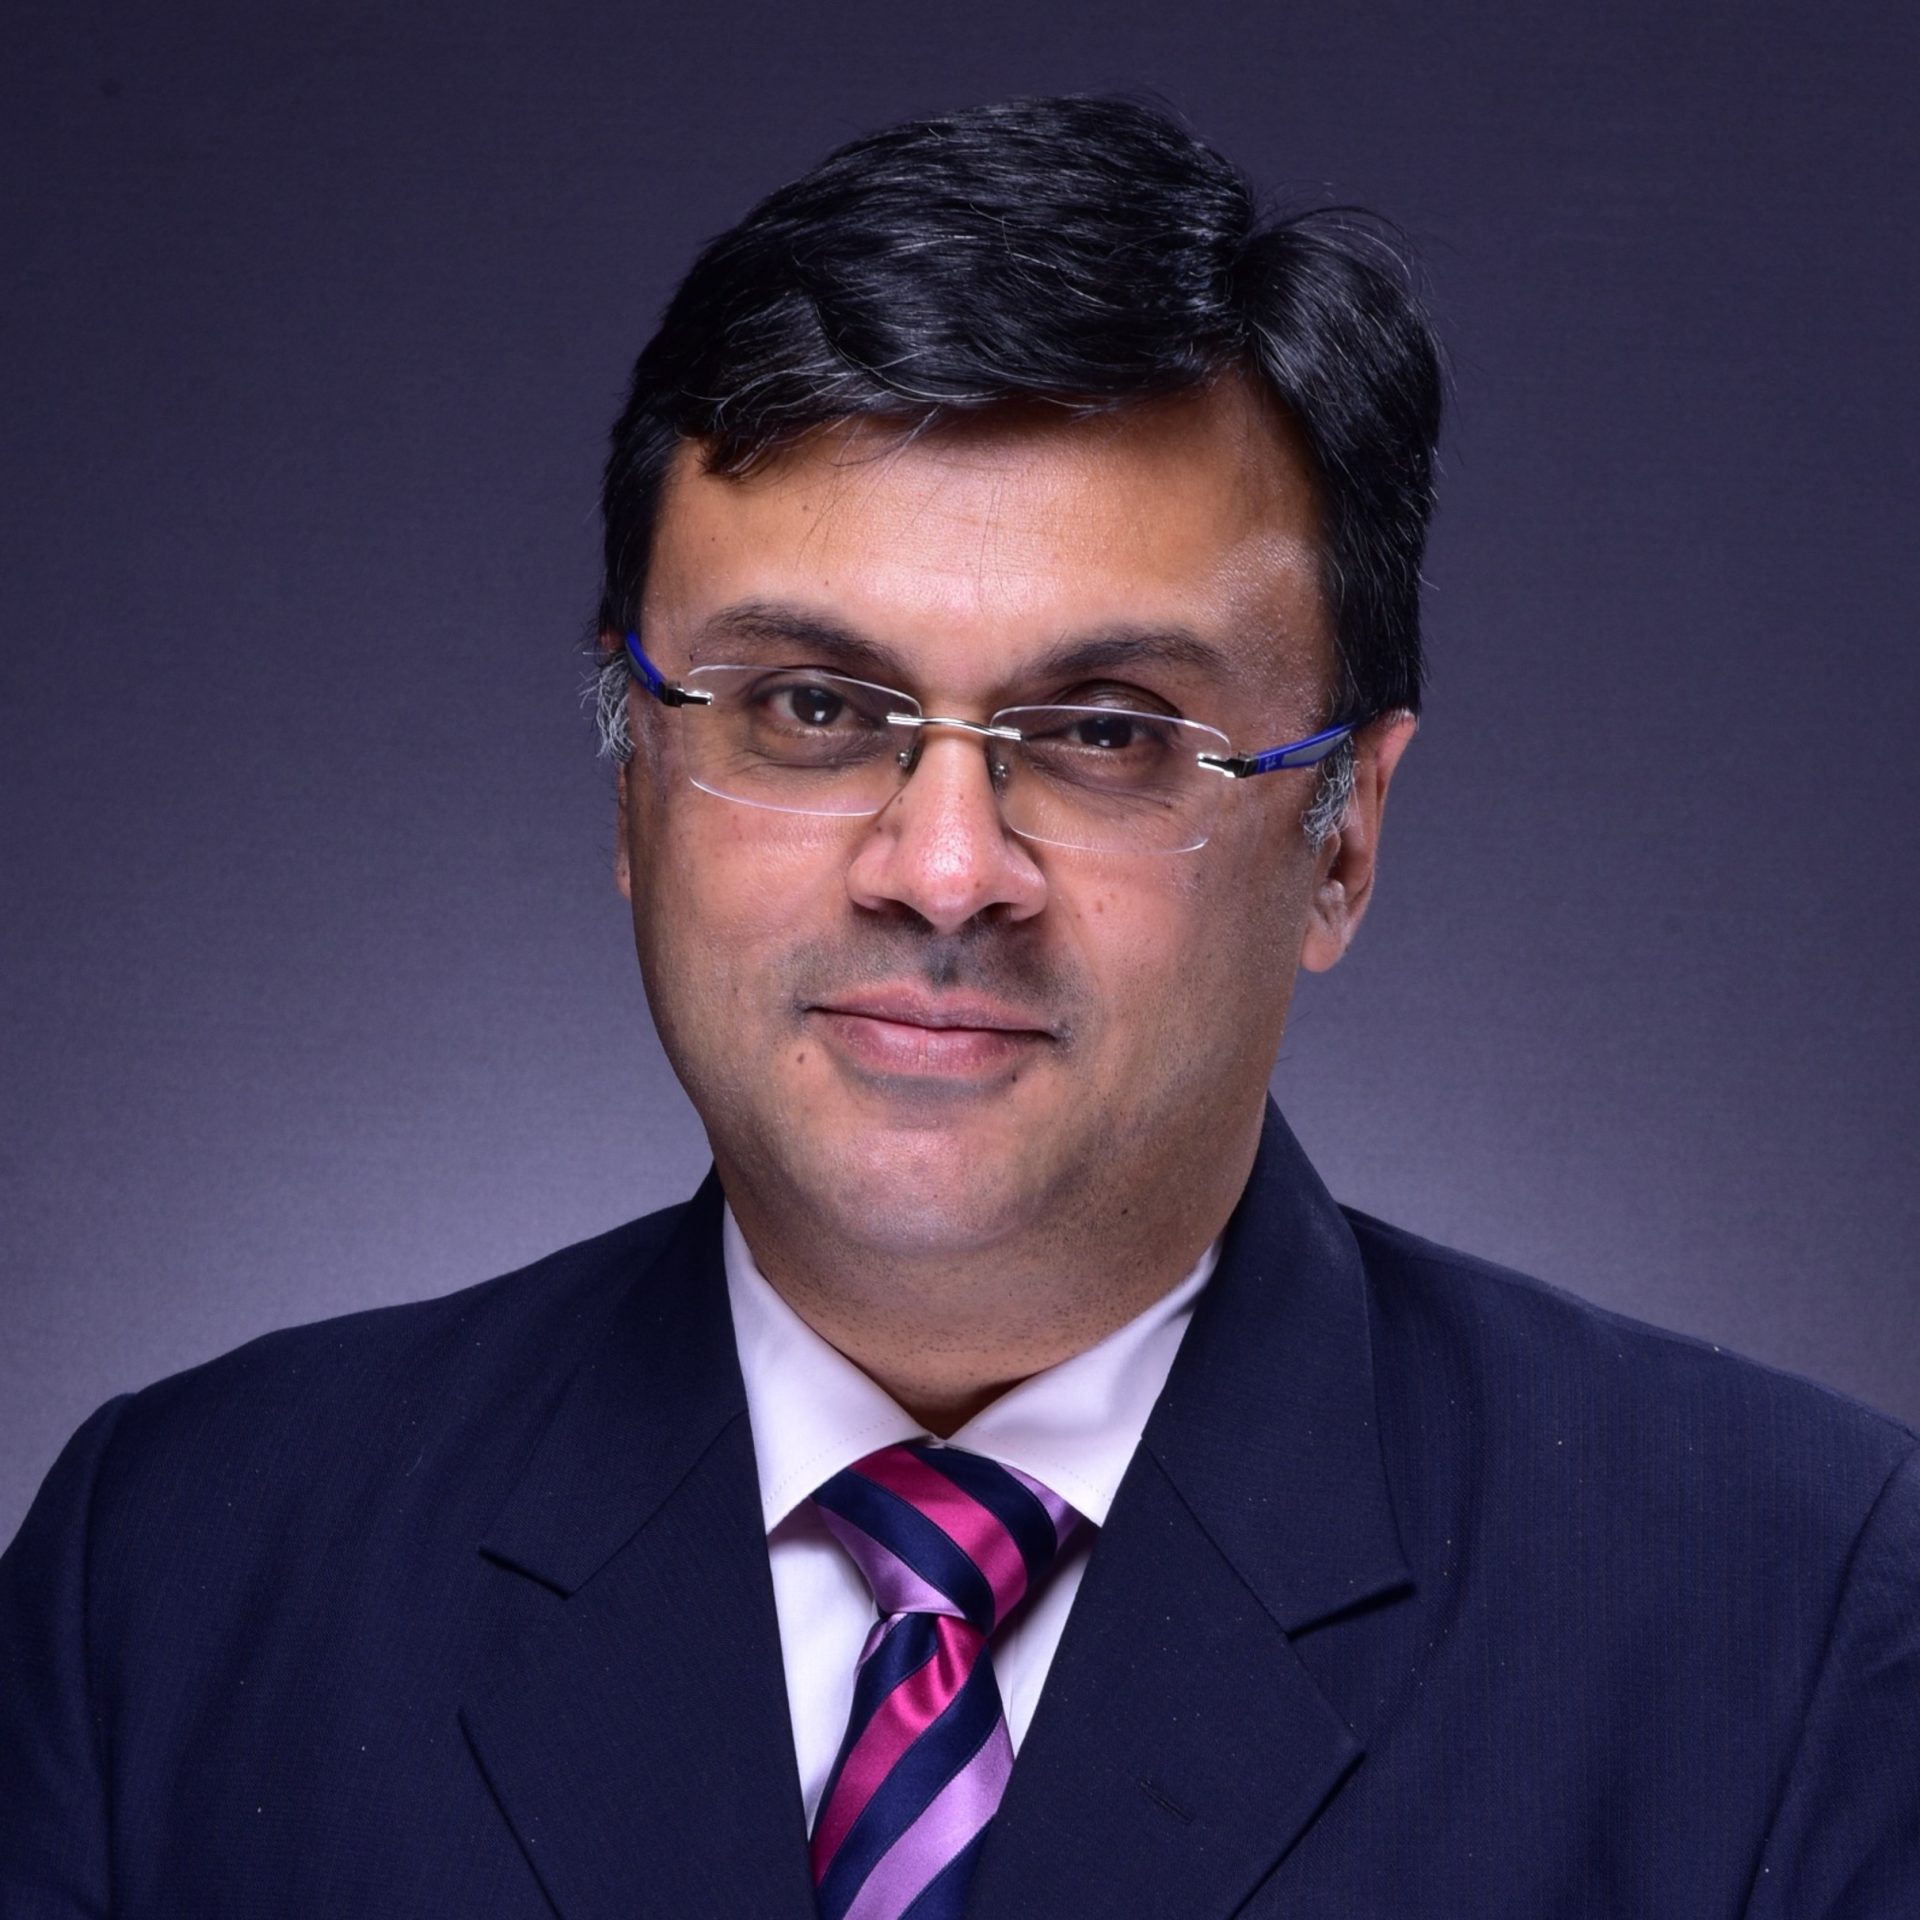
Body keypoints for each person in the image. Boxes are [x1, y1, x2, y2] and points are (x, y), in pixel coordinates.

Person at [2, 94, 1914, 1920]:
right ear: (631, 779)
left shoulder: (1790, 1620)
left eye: (1107, 733)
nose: (940, 869)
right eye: (811, 708)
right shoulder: (172, 1571)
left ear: (1343, 838)